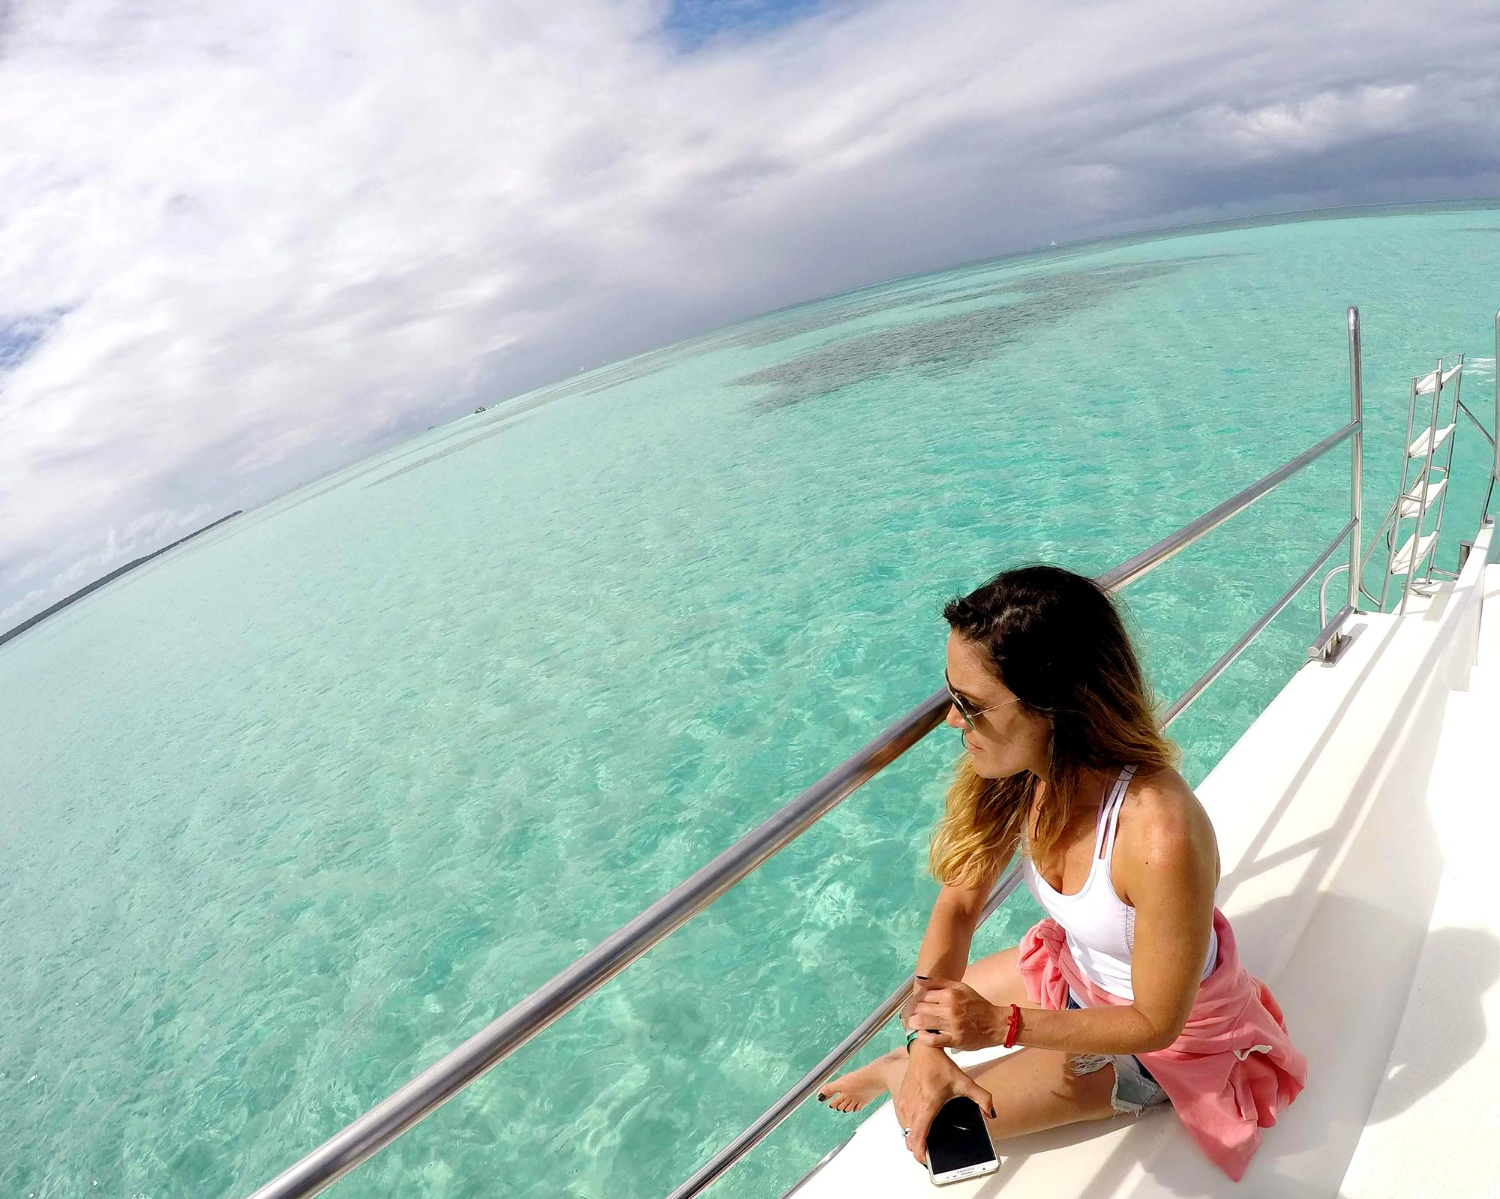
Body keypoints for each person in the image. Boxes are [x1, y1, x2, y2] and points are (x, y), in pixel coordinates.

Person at [816, 564, 1304, 1179]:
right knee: (930, 1042)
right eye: (951, 696)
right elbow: (958, 906)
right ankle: (905, 1060)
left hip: (1152, 1039)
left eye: (970, 704)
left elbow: (1157, 1022)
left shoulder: (1159, 834)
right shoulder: (1022, 773)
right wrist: (928, 1046)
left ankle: (898, 1070)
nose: (950, 721)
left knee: (933, 1127)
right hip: (1068, 972)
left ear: (1053, 706)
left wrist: (998, 1025)